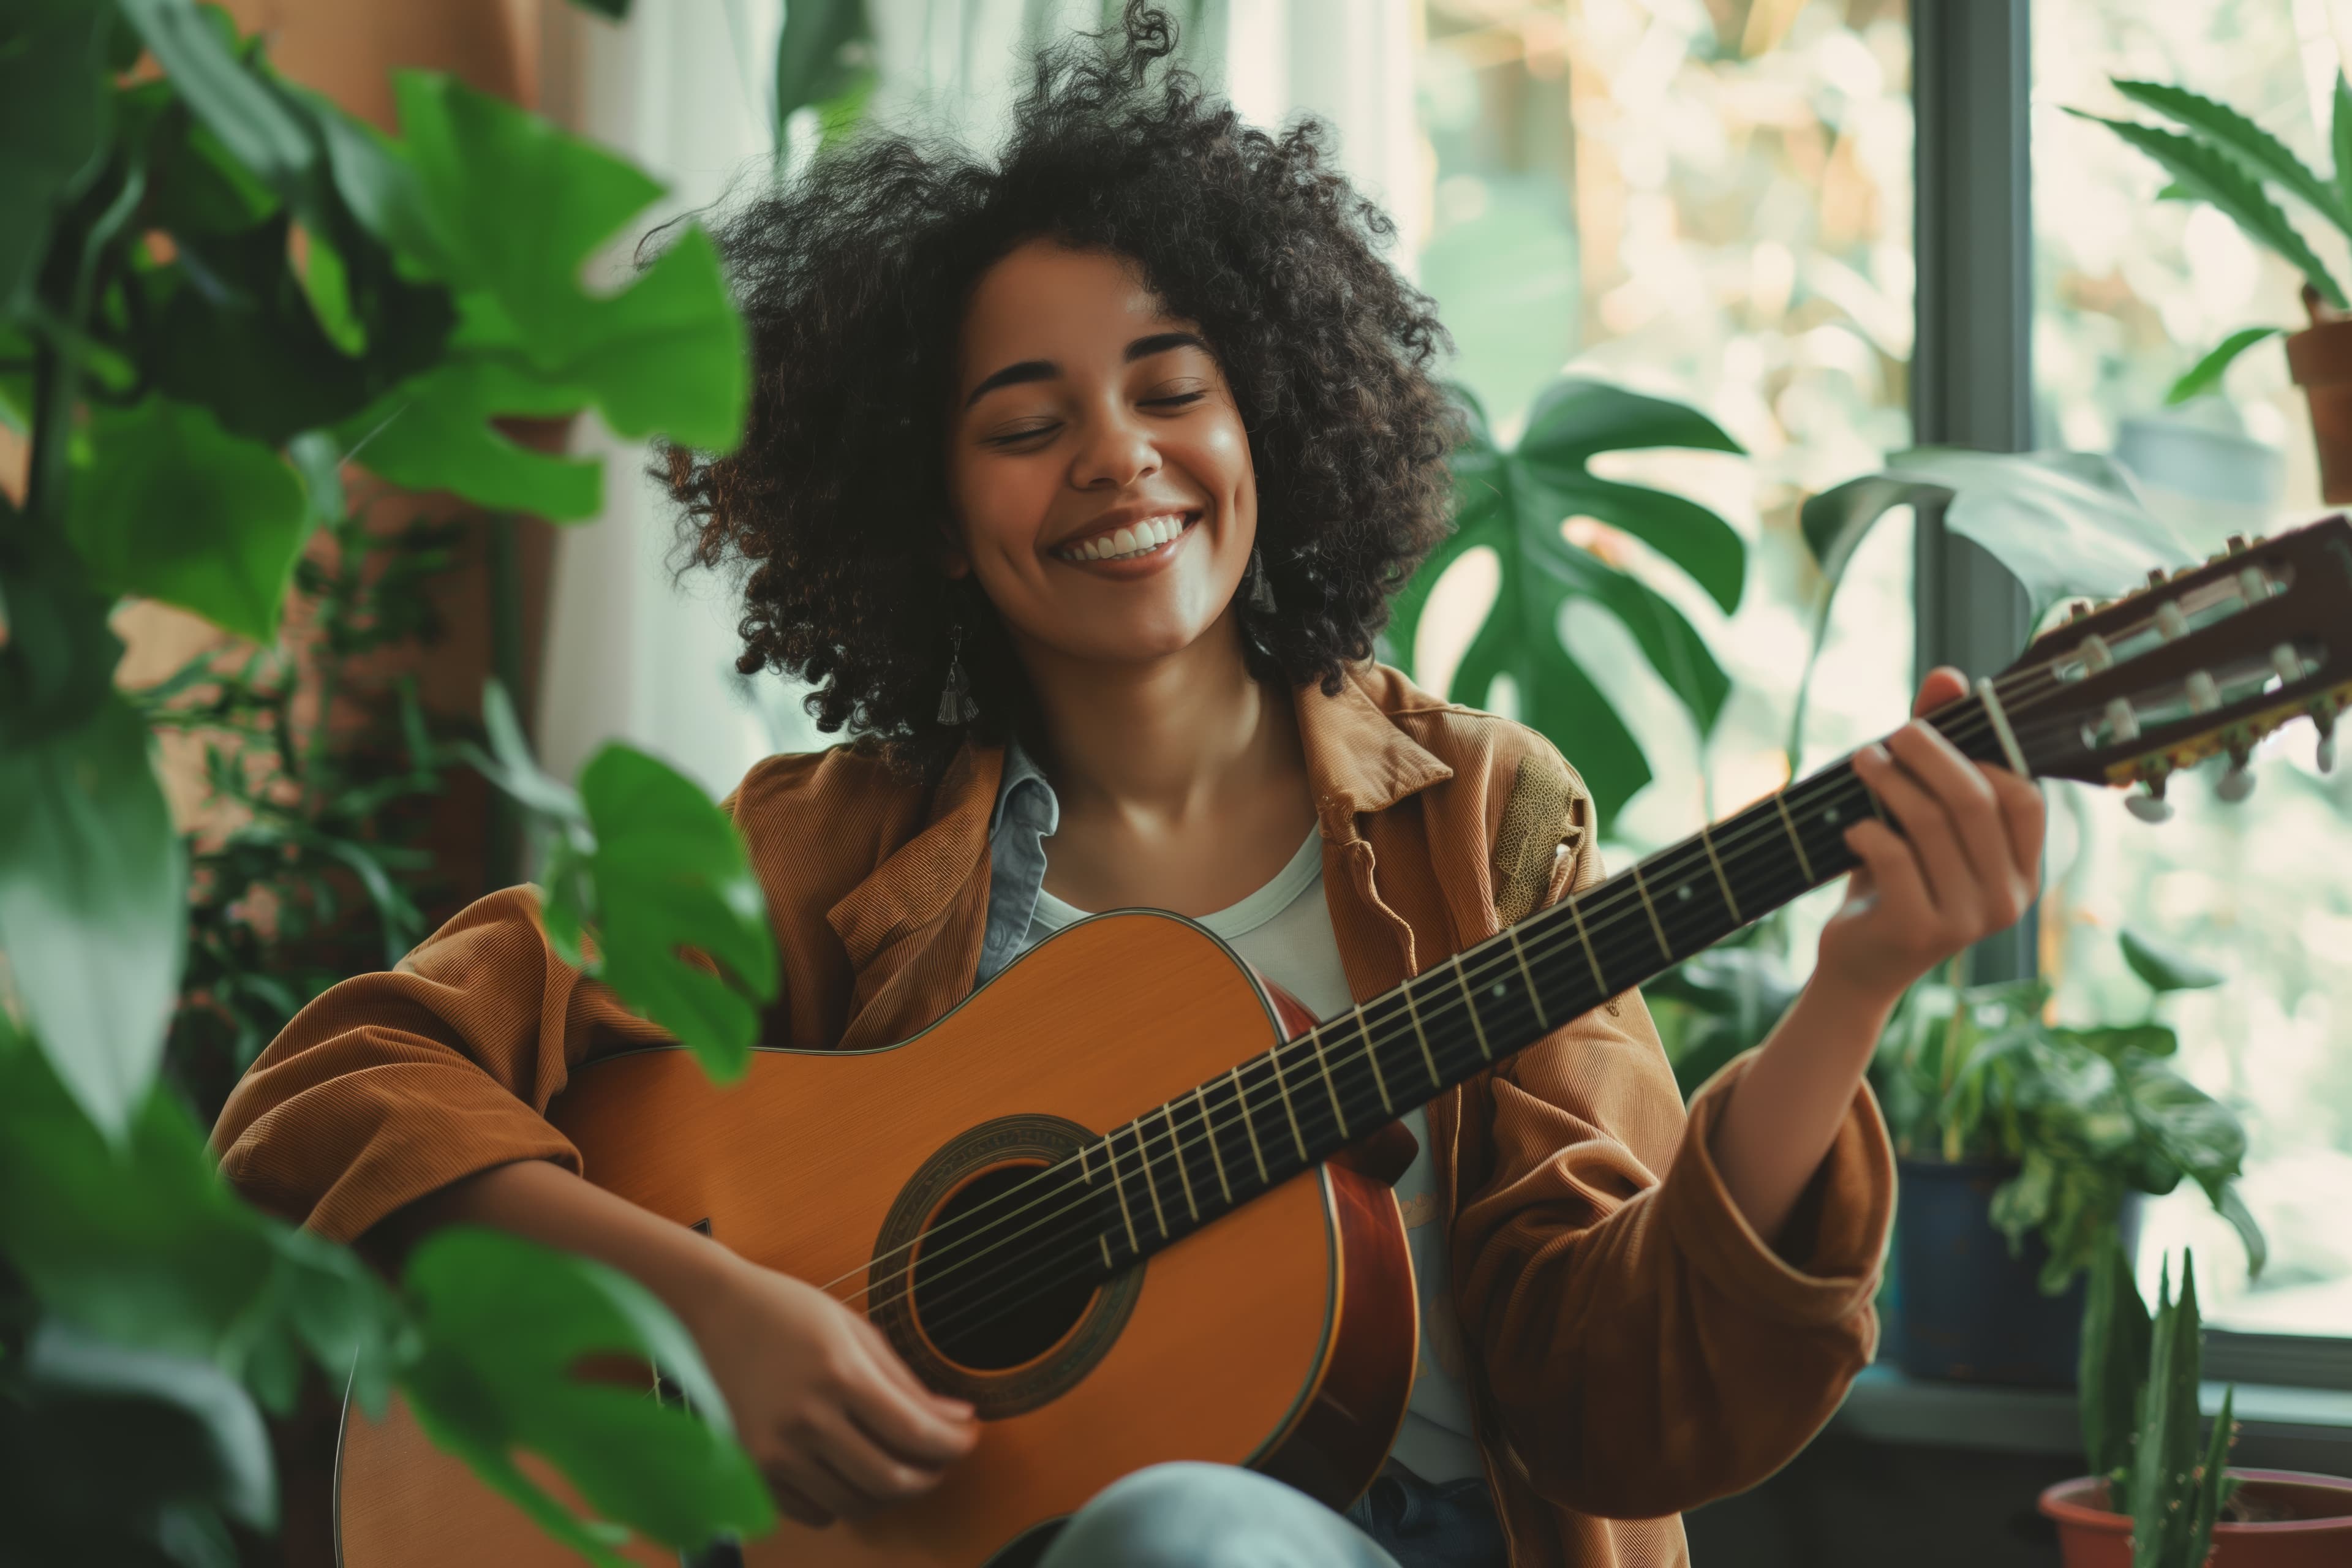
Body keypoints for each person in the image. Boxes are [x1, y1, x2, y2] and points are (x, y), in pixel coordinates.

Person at [212, 8, 2045, 1565]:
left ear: (1272, 424)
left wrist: (1854, 986)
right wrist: (719, 1311)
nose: (1116, 458)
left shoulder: (1477, 817)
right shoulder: (824, 847)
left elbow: (1623, 1398)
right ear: (930, 516)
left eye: (1173, 388)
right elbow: (334, 1079)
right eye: (1025, 424)